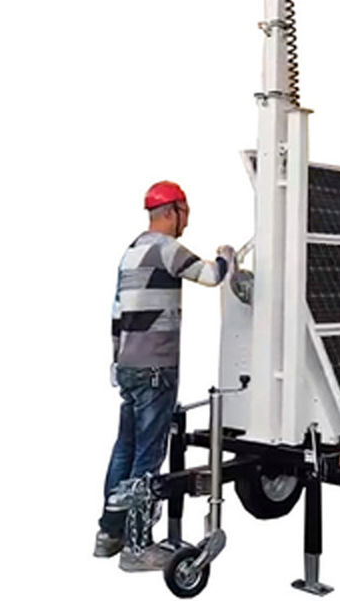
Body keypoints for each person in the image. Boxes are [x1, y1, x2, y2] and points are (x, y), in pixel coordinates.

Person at [93, 180, 235, 571]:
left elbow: (116, 313)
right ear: (173, 211)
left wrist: (117, 360)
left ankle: (110, 533)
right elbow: (212, 275)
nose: (187, 221)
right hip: (156, 370)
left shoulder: (132, 251)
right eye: (185, 213)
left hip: (129, 366)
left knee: (125, 449)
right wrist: (226, 257)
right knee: (148, 457)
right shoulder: (166, 248)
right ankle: (137, 549)